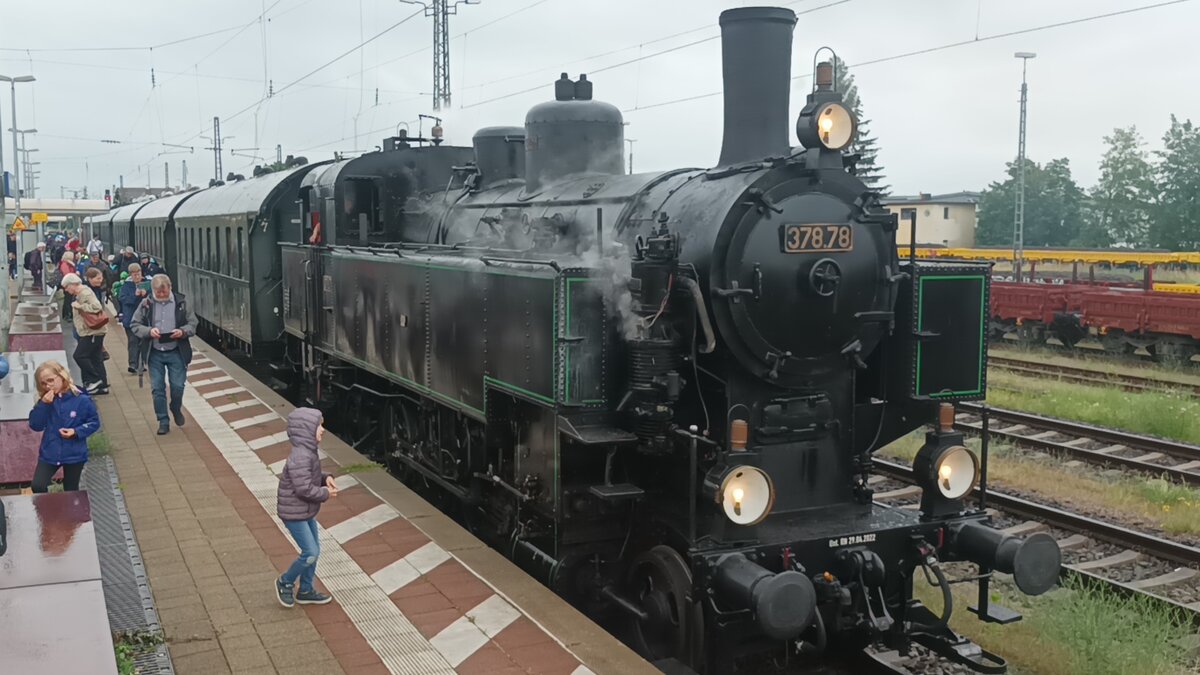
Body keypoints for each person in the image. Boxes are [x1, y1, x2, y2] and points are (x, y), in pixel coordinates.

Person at [275, 407, 337, 608]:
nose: (323, 430)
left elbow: (309, 476)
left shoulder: (308, 452)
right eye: (319, 426)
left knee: (314, 550)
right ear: (307, 430)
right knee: (310, 553)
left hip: (304, 511)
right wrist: (325, 493)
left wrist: (325, 478)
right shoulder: (301, 456)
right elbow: (303, 489)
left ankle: (306, 590)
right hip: (294, 513)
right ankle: (285, 582)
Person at [130, 274, 196, 435]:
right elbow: (134, 324)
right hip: (154, 352)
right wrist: (148, 331)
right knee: (157, 388)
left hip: (176, 351)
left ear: (170, 287)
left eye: (163, 292)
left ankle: (175, 406)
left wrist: (182, 332)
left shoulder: (182, 303)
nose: (160, 295)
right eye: (157, 292)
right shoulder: (146, 304)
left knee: (178, 386)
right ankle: (163, 421)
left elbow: (193, 324)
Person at [28, 360, 100, 493]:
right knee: (38, 485)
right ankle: (47, 505)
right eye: (43, 383)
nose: (48, 386)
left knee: (71, 489)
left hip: (74, 453)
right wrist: (43, 405)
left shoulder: (81, 399)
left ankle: (69, 506)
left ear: (62, 376)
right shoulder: (45, 400)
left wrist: (76, 431)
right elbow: (36, 425)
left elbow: (94, 422)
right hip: (50, 452)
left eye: (51, 380)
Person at [62, 272, 110, 396]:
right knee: (96, 358)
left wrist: (80, 306)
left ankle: (95, 380)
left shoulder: (85, 293)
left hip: (92, 332)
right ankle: (103, 386)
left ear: (73, 284)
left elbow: (97, 307)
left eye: (67, 287)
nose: (66, 290)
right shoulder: (81, 293)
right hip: (91, 331)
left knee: (79, 355)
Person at [118, 263, 149, 374]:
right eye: (134, 274)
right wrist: (135, 296)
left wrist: (146, 294)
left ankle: (141, 364)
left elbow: (153, 299)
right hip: (130, 319)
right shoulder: (126, 286)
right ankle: (132, 364)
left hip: (143, 319)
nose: (137, 276)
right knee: (133, 341)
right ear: (130, 275)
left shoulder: (147, 284)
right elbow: (123, 299)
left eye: (138, 273)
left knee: (143, 342)